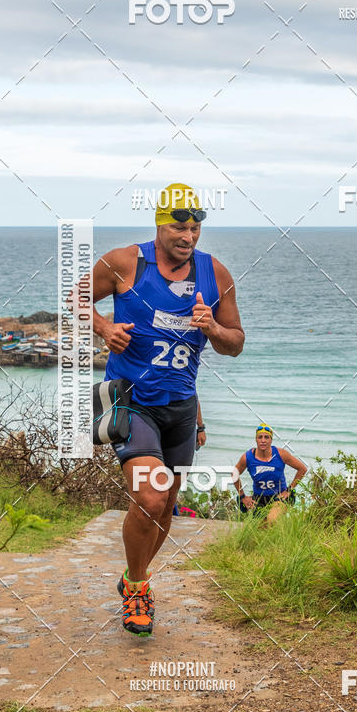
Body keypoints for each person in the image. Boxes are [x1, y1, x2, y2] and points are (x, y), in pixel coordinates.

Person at [91, 183, 244, 636]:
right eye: (180, 227)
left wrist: (213, 326)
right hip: (131, 401)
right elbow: (76, 297)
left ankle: (132, 578)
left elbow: (235, 343)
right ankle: (138, 588)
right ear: (159, 224)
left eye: (195, 228)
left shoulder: (216, 273)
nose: (188, 236)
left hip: (181, 409)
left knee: (166, 508)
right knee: (152, 495)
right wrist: (103, 326)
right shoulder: (124, 262)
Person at [233, 424, 307, 526]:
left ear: (271, 440)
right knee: (261, 530)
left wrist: (290, 489)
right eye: (260, 437)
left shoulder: (281, 454)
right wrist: (242, 496)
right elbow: (234, 474)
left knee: (271, 520)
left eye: (266, 437)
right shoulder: (248, 457)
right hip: (259, 498)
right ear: (256, 439)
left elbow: (302, 469)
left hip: (279, 497)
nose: (263, 440)